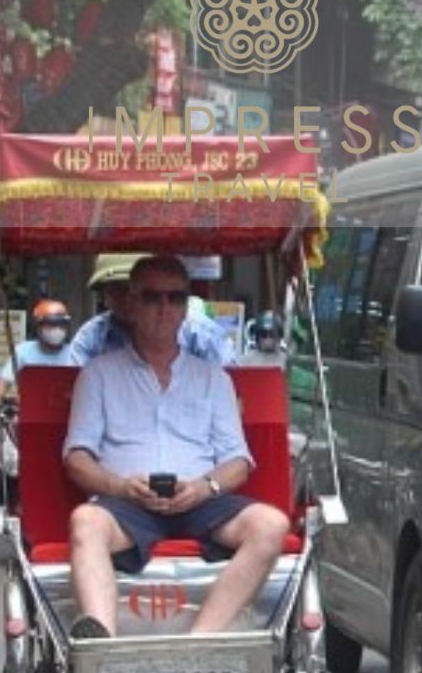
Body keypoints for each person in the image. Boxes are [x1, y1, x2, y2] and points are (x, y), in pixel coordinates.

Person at [61, 256, 291, 639]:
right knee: (85, 522)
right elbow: (77, 458)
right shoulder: (98, 374)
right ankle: (100, 644)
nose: (164, 308)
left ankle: (200, 640)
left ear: (187, 307)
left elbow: (238, 460)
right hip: (127, 504)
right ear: (131, 303)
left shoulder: (212, 378)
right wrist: (120, 486)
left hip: (201, 500)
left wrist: (203, 488)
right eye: (152, 297)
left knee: (272, 525)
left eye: (175, 298)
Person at [70, 254, 237, 365]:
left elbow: (231, 384)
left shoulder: (200, 333)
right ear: (104, 297)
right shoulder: (91, 337)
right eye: (118, 290)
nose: (128, 299)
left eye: (149, 295)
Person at [0, 299, 74, 405]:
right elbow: (2, 384)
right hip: (30, 413)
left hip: (67, 414)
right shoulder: (23, 351)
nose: (57, 329)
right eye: (51, 324)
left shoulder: (75, 353)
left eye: (61, 325)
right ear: (38, 327)